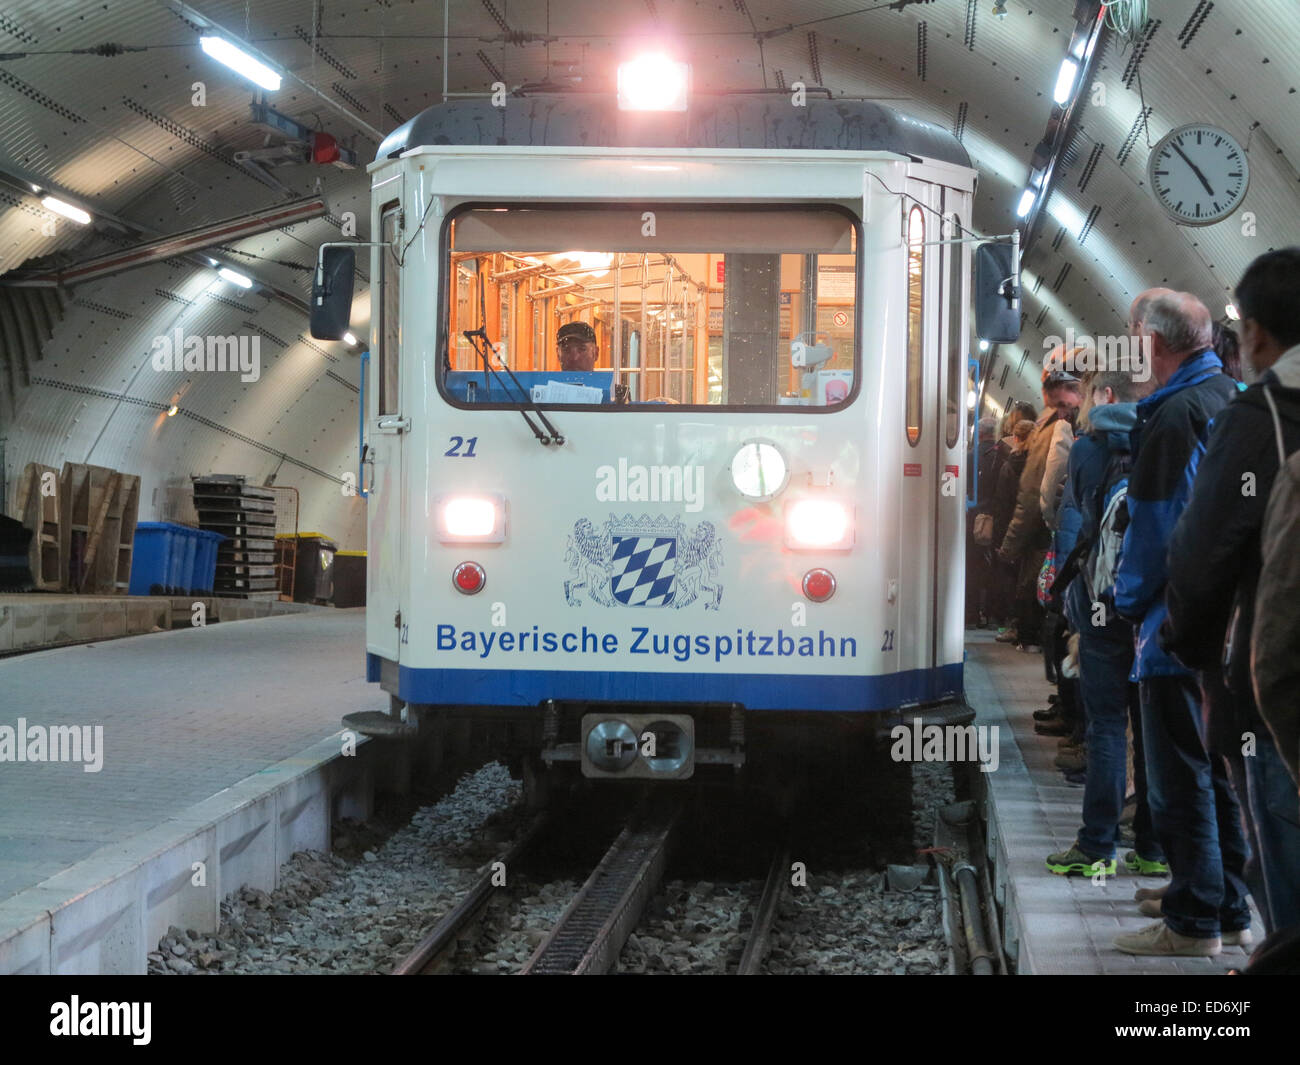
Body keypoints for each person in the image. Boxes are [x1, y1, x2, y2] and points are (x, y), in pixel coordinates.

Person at [1163, 249, 1300, 935]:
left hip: (1277, 706)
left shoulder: (1257, 419)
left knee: (1286, 895)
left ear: (1256, 336)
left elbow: (1202, 549)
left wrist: (1191, 649)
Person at [1110, 290, 1249, 957]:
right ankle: (1226, 906)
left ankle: (1192, 920)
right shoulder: (1230, 397)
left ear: (1150, 343)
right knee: (1217, 770)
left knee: (1177, 777)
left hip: (1175, 628)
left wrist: (1128, 601)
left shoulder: (1172, 418)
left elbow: (1156, 529)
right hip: (1227, 623)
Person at [1045, 367, 1164, 878]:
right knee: (1154, 730)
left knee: (1108, 726)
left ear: (1105, 396)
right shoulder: (1168, 437)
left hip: (1102, 605)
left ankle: (1097, 847)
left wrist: (1070, 603)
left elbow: (1076, 525)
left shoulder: (1088, 450)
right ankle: (1155, 849)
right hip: (1155, 607)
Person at [997, 364, 1084, 656]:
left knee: (1052, 590)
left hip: (1059, 527)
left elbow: (1040, 490)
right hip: (1088, 531)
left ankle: (1054, 658)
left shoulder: (1057, 429)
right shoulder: (1092, 428)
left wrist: (1050, 519)